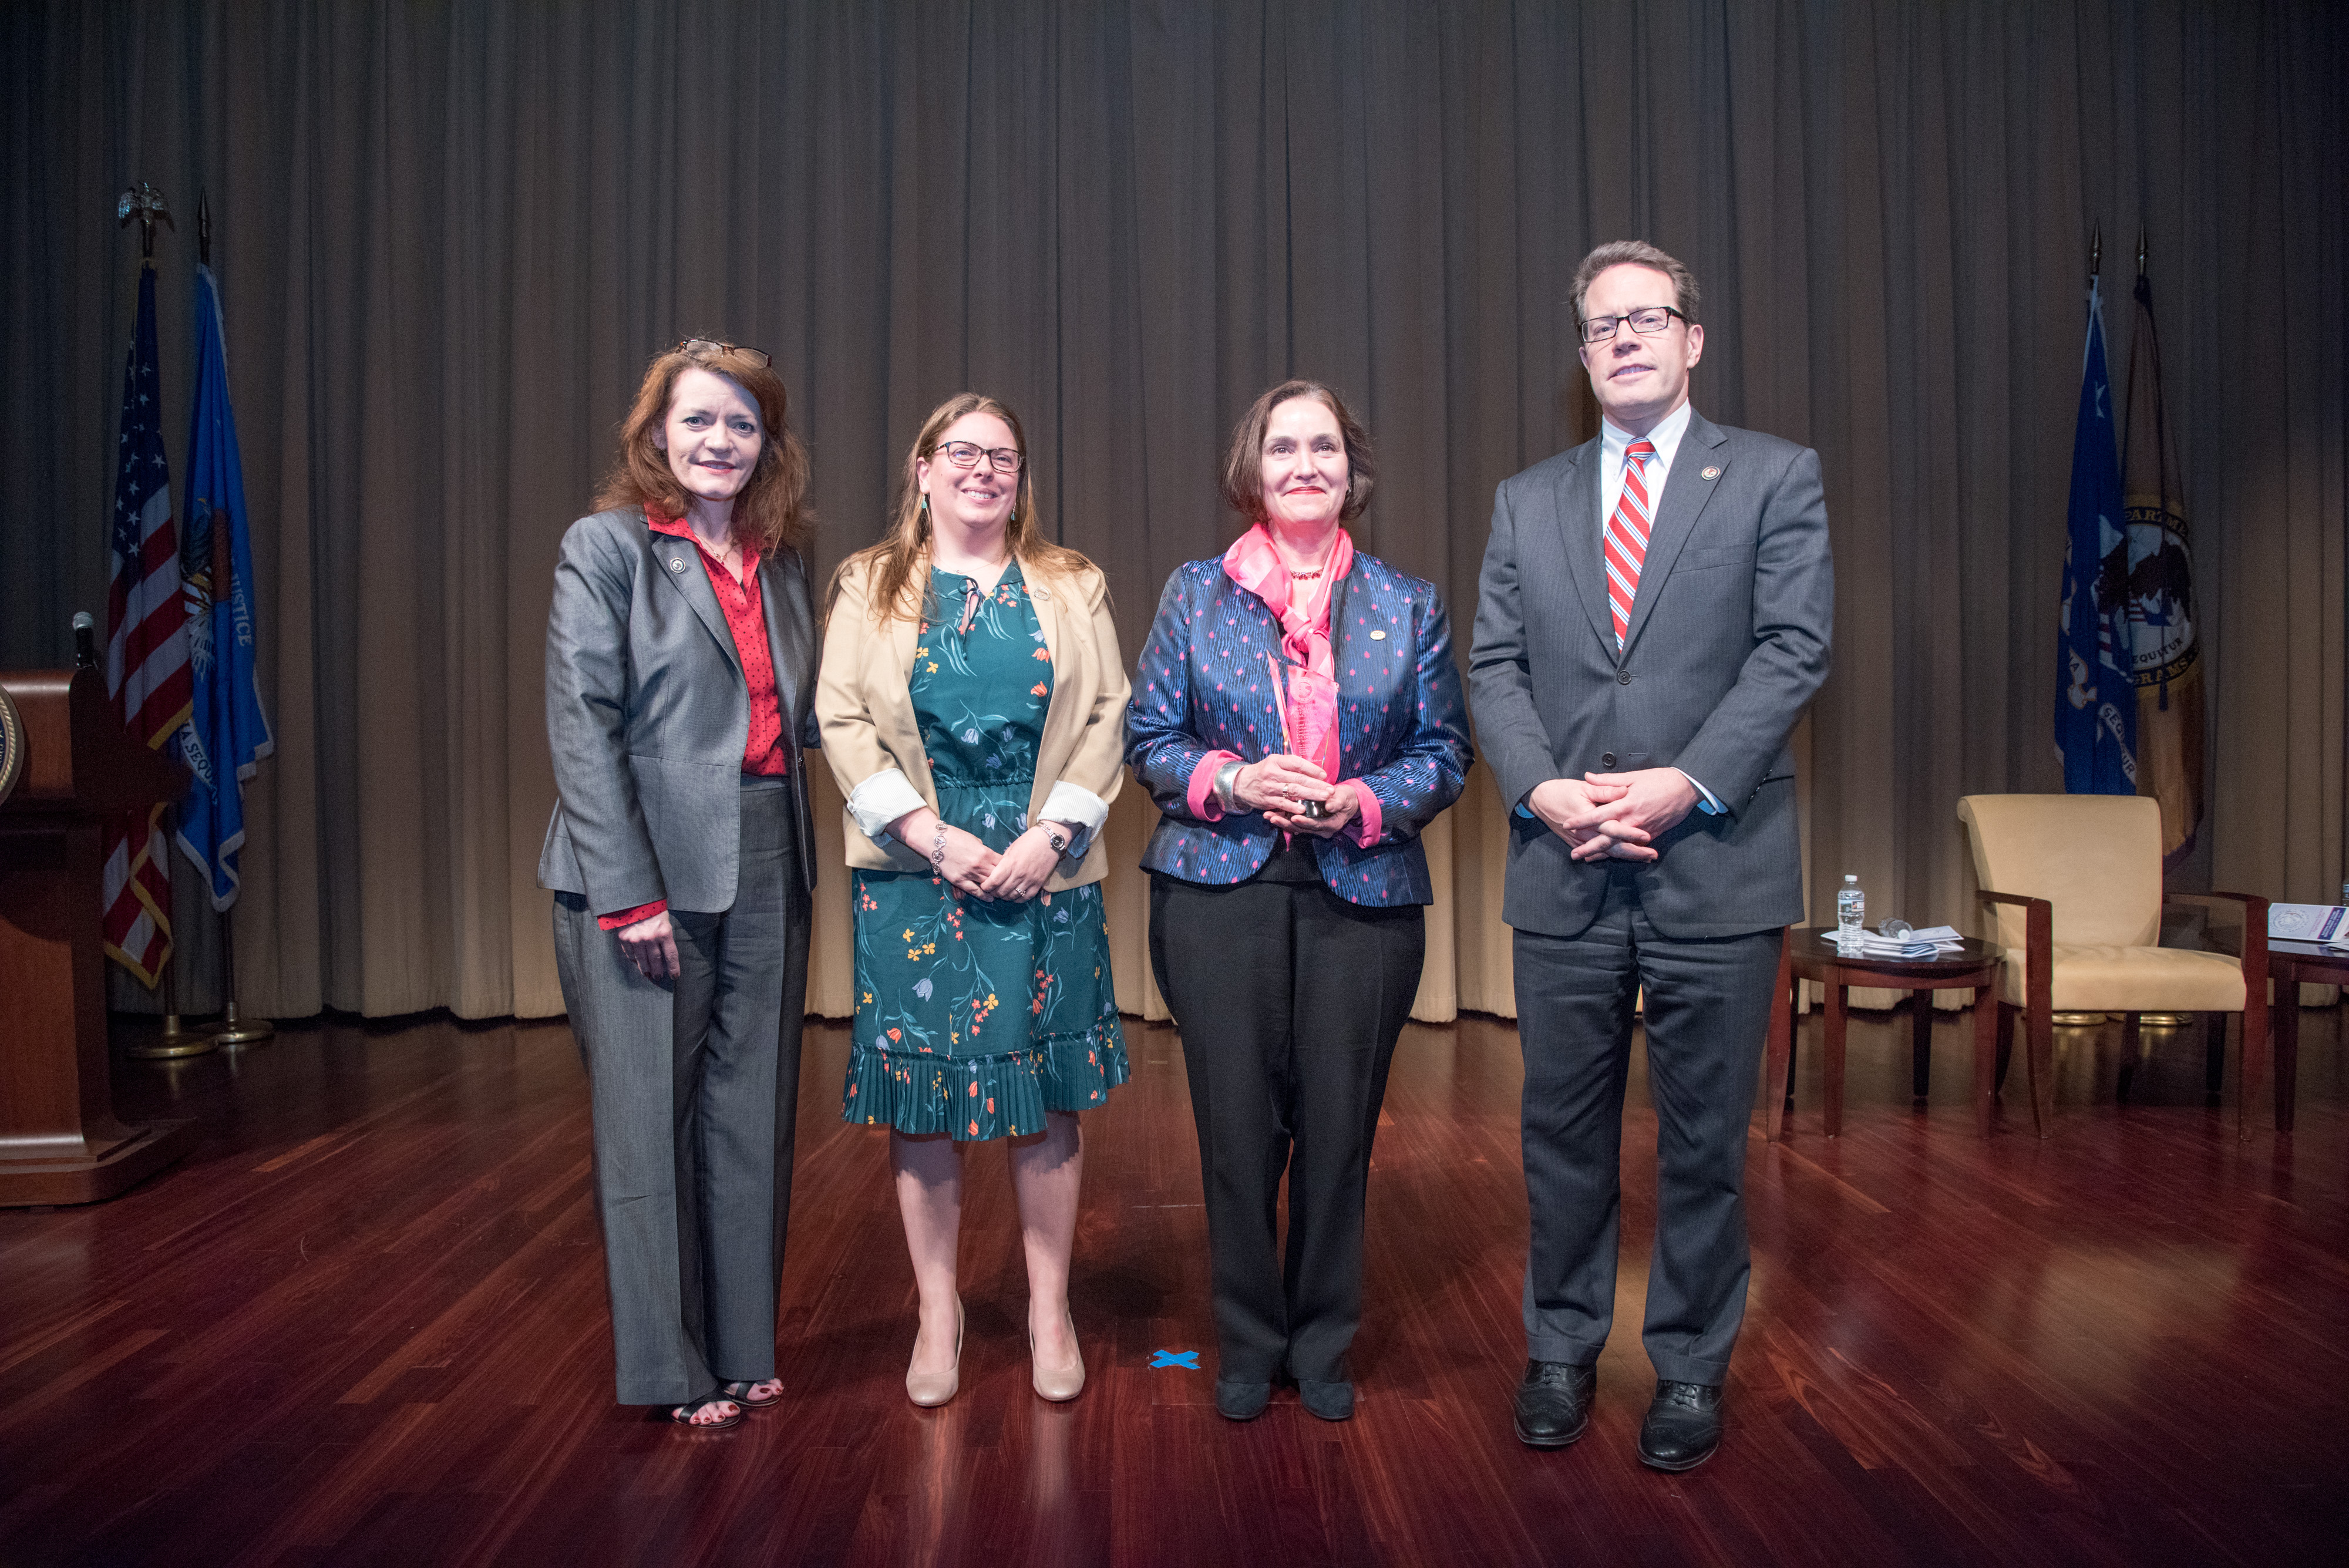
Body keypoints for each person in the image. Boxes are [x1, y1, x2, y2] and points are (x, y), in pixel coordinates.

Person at [1469, 241, 1833, 1470]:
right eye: (1600, 325)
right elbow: (1492, 670)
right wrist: (1546, 790)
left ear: (1690, 341)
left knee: (1701, 1142)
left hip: (1716, 863)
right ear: (1580, 355)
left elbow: (1790, 647)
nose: (1624, 338)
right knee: (1559, 1137)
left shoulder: (1776, 477)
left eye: (1647, 317)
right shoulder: (1526, 499)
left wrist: (1685, 784)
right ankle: (1561, 1348)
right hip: (1564, 858)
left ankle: (1685, 1368)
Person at [1128, 379, 1472, 1423]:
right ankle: (1245, 1342)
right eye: (1284, 447)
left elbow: (1447, 750)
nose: (1305, 464)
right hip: (1217, 889)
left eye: (1324, 446)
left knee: (1339, 1130)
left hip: (1362, 893)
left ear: (1351, 468)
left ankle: (1321, 1342)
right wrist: (1234, 779)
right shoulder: (1195, 592)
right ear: (1255, 467)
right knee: (1237, 1133)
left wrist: (1367, 797)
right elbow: (1150, 738)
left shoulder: (1408, 604)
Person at [816, 392, 1130, 1408]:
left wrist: (1053, 835)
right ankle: (937, 1310)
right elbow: (842, 717)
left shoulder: (1071, 581)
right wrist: (928, 833)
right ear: (923, 467)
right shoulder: (867, 583)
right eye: (963, 451)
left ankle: (1049, 1310)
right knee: (924, 1104)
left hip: (1047, 875)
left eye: (1003, 455)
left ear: (1021, 474)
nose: (984, 469)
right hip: (917, 877)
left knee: (1047, 1102)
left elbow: (1110, 715)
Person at [540, 338, 821, 1431]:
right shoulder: (605, 547)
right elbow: (582, 724)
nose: (720, 442)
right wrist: (628, 891)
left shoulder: (781, 557)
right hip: (643, 863)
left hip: (766, 851)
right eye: (699, 421)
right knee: (648, 1121)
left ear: (767, 445)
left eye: (742, 425)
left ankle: (743, 1344)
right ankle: (669, 1364)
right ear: (657, 433)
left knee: (753, 1115)